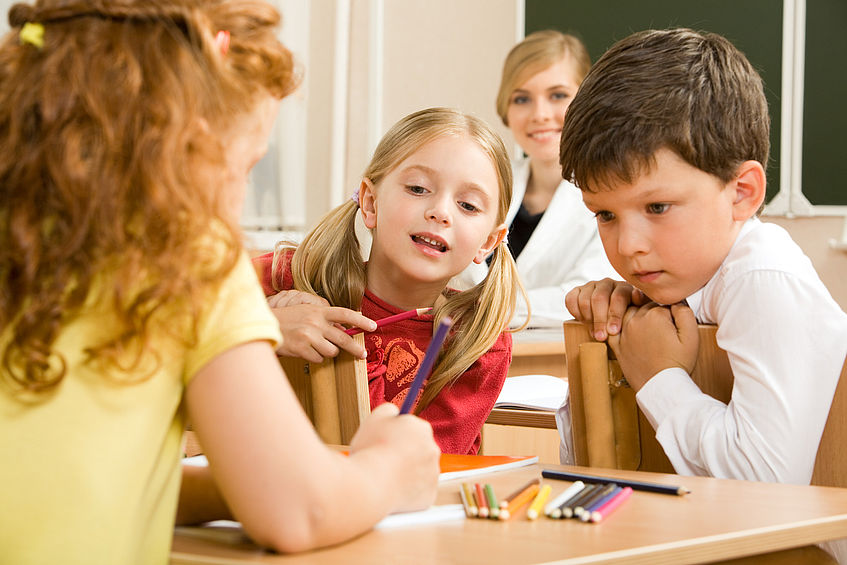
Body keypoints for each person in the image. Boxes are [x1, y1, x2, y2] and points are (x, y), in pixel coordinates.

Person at [0, 2, 439, 564]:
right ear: (185, 148)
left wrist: (247, 482)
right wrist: (388, 472)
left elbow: (68, 481)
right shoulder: (184, 257)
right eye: (246, 167)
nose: (239, 198)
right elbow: (297, 511)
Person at [559, 27, 847, 489]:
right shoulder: (678, 285)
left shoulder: (762, 276)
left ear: (742, 193)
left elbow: (765, 483)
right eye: (606, 214)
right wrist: (609, 345)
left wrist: (657, 377)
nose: (628, 244)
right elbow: (588, 475)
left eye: (657, 208)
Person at [255, 107, 525, 455]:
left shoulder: (477, 343)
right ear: (370, 202)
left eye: (468, 206)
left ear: (488, 242)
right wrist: (264, 324)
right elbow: (173, 311)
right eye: (417, 188)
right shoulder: (293, 275)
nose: (440, 212)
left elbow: (416, 467)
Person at [455, 29, 618, 327]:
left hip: (559, 363)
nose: (539, 114)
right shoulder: (485, 183)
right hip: (466, 356)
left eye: (558, 95)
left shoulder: (616, 194)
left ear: (587, 100)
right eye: (522, 99)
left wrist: (478, 307)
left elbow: (586, 298)